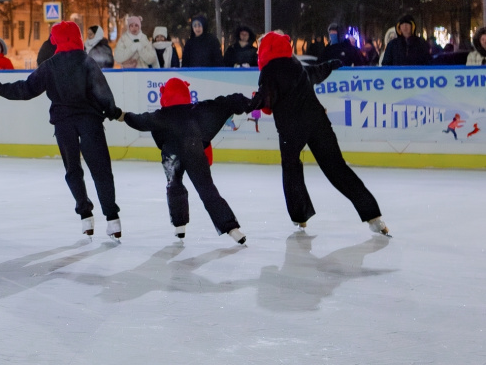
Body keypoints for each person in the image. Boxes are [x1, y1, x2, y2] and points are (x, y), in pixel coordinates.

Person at [0, 21, 125, 240]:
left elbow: (26, 90)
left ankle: (85, 217)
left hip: (64, 125)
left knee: (73, 170)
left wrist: (0, 89)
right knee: (101, 170)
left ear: (56, 40)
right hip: (90, 123)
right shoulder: (86, 61)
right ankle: (112, 220)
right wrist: (113, 112)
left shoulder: (50, 65)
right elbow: (103, 93)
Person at [256, 32, 389, 235]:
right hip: (317, 122)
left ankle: (300, 217)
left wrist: (247, 103)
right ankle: (373, 215)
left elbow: (266, 103)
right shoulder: (296, 65)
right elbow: (314, 72)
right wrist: (331, 65)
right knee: (336, 167)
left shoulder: (268, 71)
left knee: (291, 169)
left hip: (291, 129)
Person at [121, 78, 255, 244]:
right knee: (207, 190)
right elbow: (222, 104)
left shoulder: (161, 115)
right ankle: (232, 229)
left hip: (172, 156)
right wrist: (244, 102)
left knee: (174, 186)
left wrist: (123, 116)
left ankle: (179, 226)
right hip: (194, 151)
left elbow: (141, 121)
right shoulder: (196, 110)